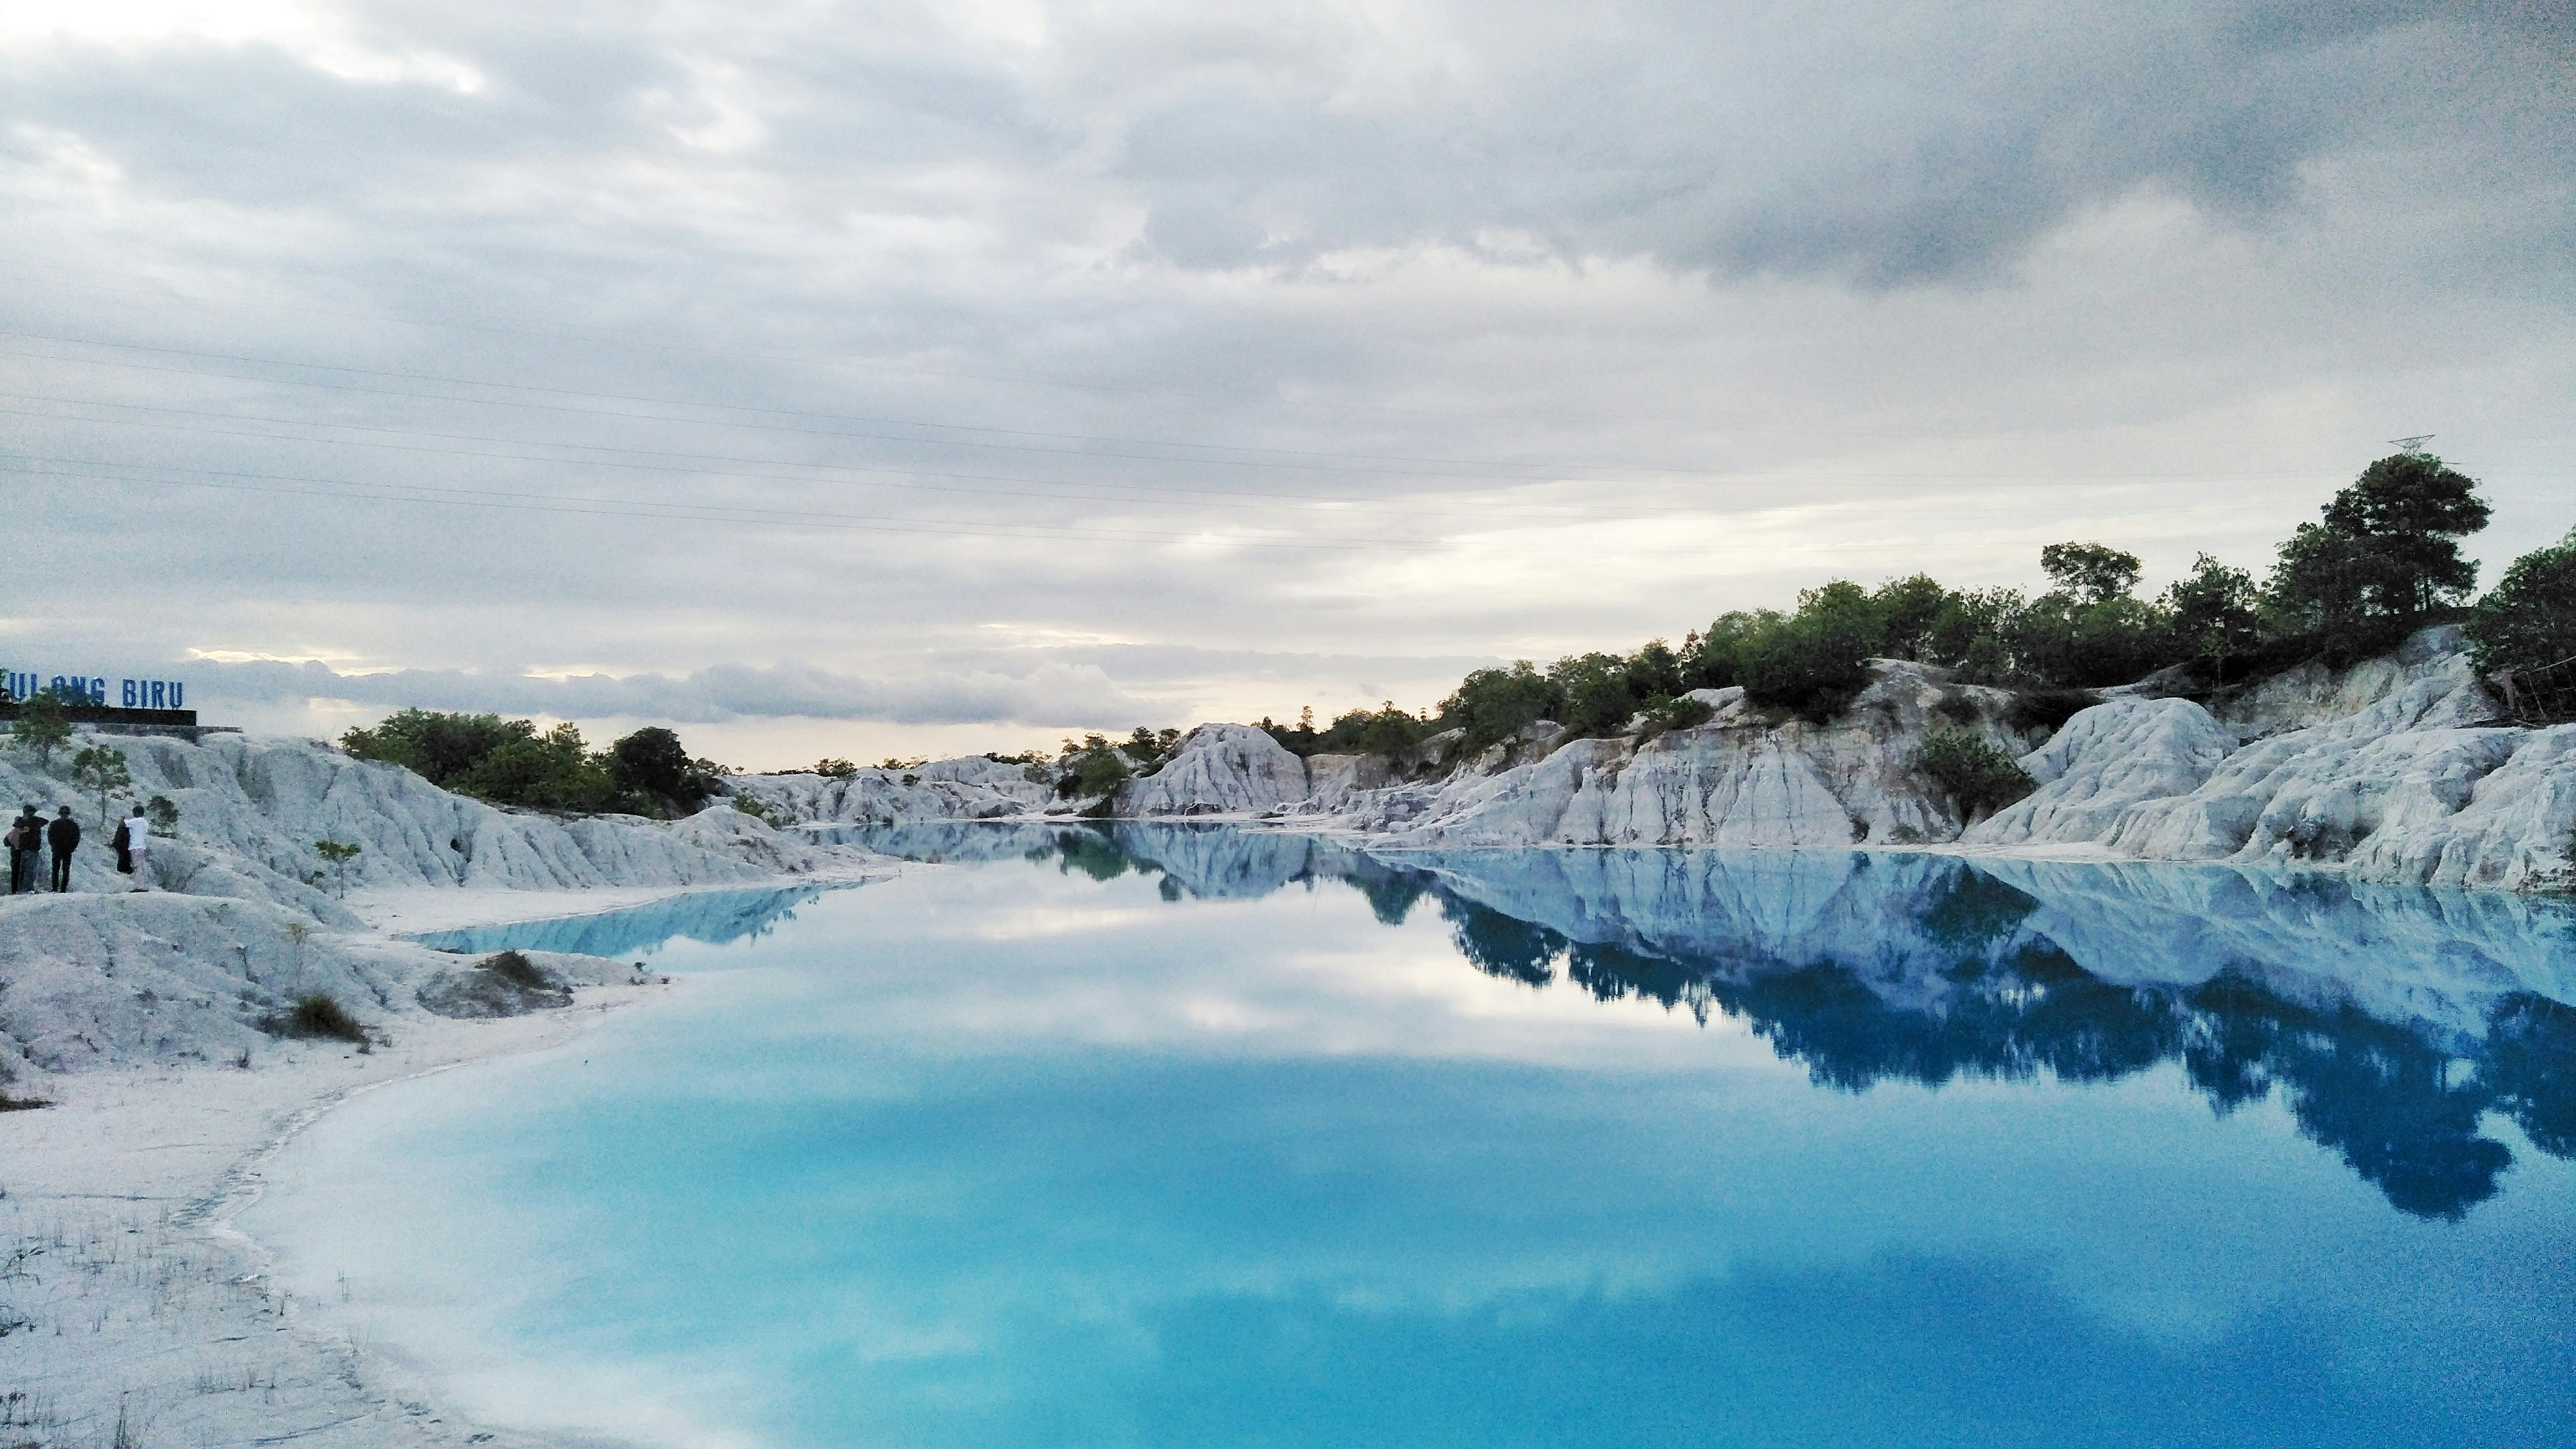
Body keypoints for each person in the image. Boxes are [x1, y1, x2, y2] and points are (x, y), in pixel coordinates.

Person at [4, 806, 36, 894]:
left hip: (16, 853)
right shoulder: (20, 833)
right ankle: (18, 889)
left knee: (17, 872)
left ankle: (16, 890)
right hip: (19, 853)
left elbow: (6, 842)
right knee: (20, 871)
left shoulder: (15, 832)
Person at [46, 806, 79, 892]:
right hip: (65, 850)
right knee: (64, 870)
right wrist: (72, 848)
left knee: (57, 869)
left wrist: (54, 846)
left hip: (60, 850)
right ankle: (62, 888)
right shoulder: (73, 825)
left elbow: (50, 836)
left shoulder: (54, 824)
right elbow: (76, 838)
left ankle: (56, 888)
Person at [120, 804, 151, 889]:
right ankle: (144, 886)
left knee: (138, 867)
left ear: (137, 813)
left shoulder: (135, 821)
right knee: (142, 867)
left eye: (134, 812)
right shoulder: (145, 823)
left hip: (134, 847)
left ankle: (138, 887)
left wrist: (122, 818)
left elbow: (123, 824)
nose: (133, 814)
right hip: (142, 847)